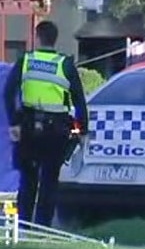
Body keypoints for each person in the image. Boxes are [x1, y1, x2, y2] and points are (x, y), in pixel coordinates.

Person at [3, 20, 89, 227]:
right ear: (55, 38)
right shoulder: (65, 64)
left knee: (28, 181)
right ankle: (43, 226)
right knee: (49, 181)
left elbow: (8, 93)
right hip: (56, 130)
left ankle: (23, 227)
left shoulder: (25, 61)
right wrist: (83, 130)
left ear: (37, 36)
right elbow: (79, 100)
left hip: (29, 127)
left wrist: (14, 122)